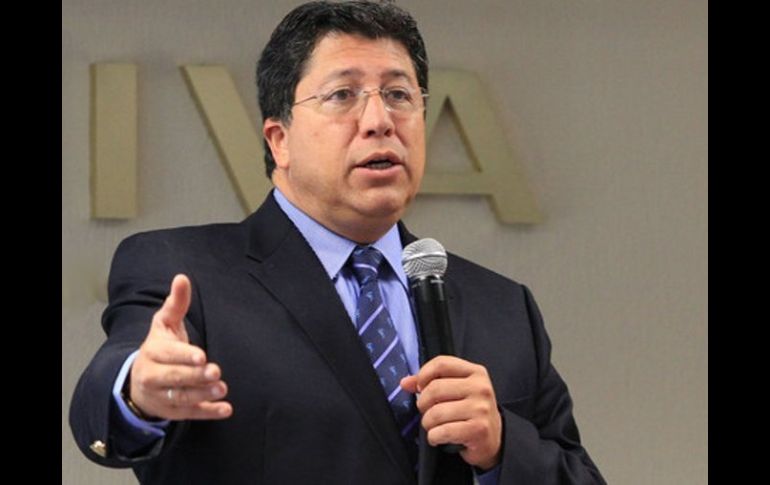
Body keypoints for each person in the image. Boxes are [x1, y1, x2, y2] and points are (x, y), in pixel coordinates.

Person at [69, 1, 606, 484]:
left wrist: (501, 448)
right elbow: (103, 404)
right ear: (279, 140)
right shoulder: (184, 271)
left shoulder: (504, 307)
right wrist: (138, 391)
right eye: (342, 95)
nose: (379, 121)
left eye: (398, 95)